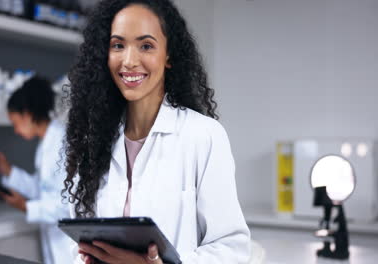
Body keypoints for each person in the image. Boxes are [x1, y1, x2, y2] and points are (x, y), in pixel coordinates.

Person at [63, 0, 251, 263]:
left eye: (146, 46)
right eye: (118, 45)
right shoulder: (92, 140)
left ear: (169, 55)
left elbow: (232, 249)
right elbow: (79, 248)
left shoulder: (203, 136)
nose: (129, 61)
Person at [0, 76, 72, 264]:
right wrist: (8, 171)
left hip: (70, 247)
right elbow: (44, 190)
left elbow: (68, 207)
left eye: (15, 123)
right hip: (56, 242)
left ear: (27, 114)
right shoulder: (45, 145)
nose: (16, 130)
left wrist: (25, 207)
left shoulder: (63, 143)